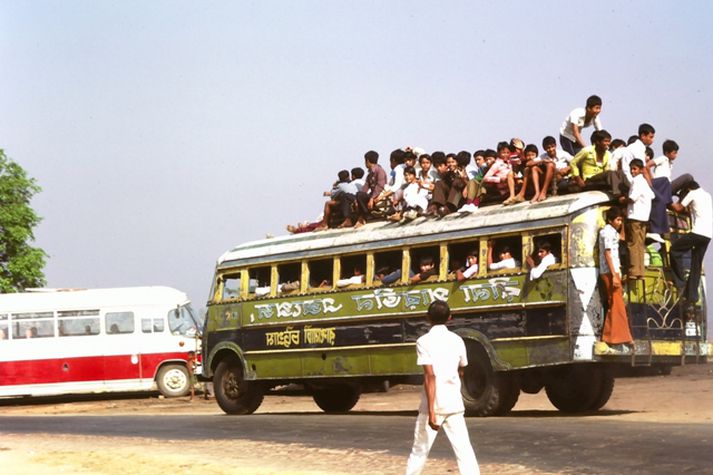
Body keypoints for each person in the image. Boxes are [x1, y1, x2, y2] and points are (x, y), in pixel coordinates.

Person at [405, 300, 479, 475]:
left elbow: (430, 376)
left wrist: (431, 411)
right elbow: (462, 367)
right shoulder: (457, 340)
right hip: (453, 402)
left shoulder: (423, 342)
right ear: (450, 318)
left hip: (433, 404)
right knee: (464, 450)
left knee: (419, 450)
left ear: (427, 318)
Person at [670, 181, 712, 308]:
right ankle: (692, 296)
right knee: (696, 264)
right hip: (708, 234)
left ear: (687, 189)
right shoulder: (707, 195)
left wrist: (667, 202)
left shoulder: (692, 194)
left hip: (697, 232)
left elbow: (678, 208)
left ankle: (680, 282)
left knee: (674, 250)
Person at [598, 207, 634, 347]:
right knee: (617, 303)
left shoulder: (612, 231)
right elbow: (607, 254)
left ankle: (609, 335)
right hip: (609, 271)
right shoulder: (607, 232)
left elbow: (622, 238)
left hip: (612, 270)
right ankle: (621, 336)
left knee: (614, 302)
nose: (620, 222)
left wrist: (623, 224)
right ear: (610, 220)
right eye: (618, 220)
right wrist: (614, 275)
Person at [620, 159, 654, 280]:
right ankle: (641, 272)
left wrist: (623, 200)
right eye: (631, 169)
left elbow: (632, 198)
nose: (632, 171)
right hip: (644, 217)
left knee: (632, 244)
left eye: (634, 169)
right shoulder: (645, 182)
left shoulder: (636, 181)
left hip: (635, 216)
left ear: (640, 170)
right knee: (640, 244)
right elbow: (652, 195)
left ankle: (633, 271)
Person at [646, 139, 678, 243]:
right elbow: (648, 166)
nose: (676, 155)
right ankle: (670, 202)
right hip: (660, 183)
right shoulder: (663, 159)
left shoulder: (670, 164)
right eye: (674, 152)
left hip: (665, 187)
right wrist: (651, 179)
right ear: (667, 152)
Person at [355, 150, 388, 228]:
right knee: (358, 195)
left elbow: (380, 187)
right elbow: (365, 188)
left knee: (360, 195)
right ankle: (364, 216)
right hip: (373, 197)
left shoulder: (380, 171)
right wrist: (357, 200)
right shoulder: (369, 174)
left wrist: (371, 199)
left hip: (380, 196)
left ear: (367, 161)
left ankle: (364, 216)